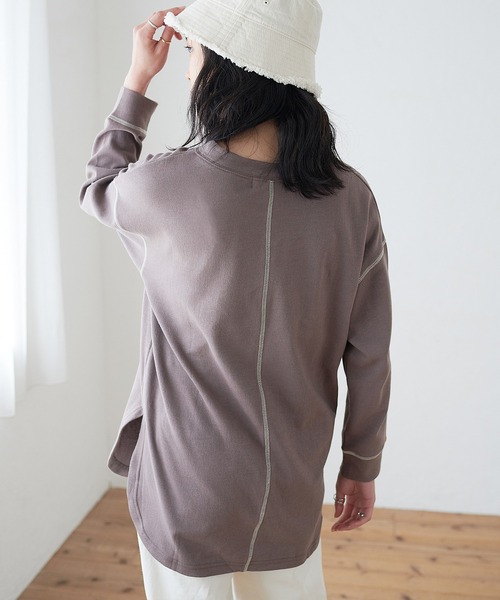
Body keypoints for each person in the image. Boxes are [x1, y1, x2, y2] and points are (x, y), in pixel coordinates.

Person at [80, 1, 391, 598]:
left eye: (194, 53)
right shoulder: (351, 198)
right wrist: (361, 462)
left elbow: (98, 186)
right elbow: (370, 350)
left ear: (228, 70)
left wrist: (137, 80)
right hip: (289, 487)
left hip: (184, 489)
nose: (188, 69)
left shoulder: (163, 186)